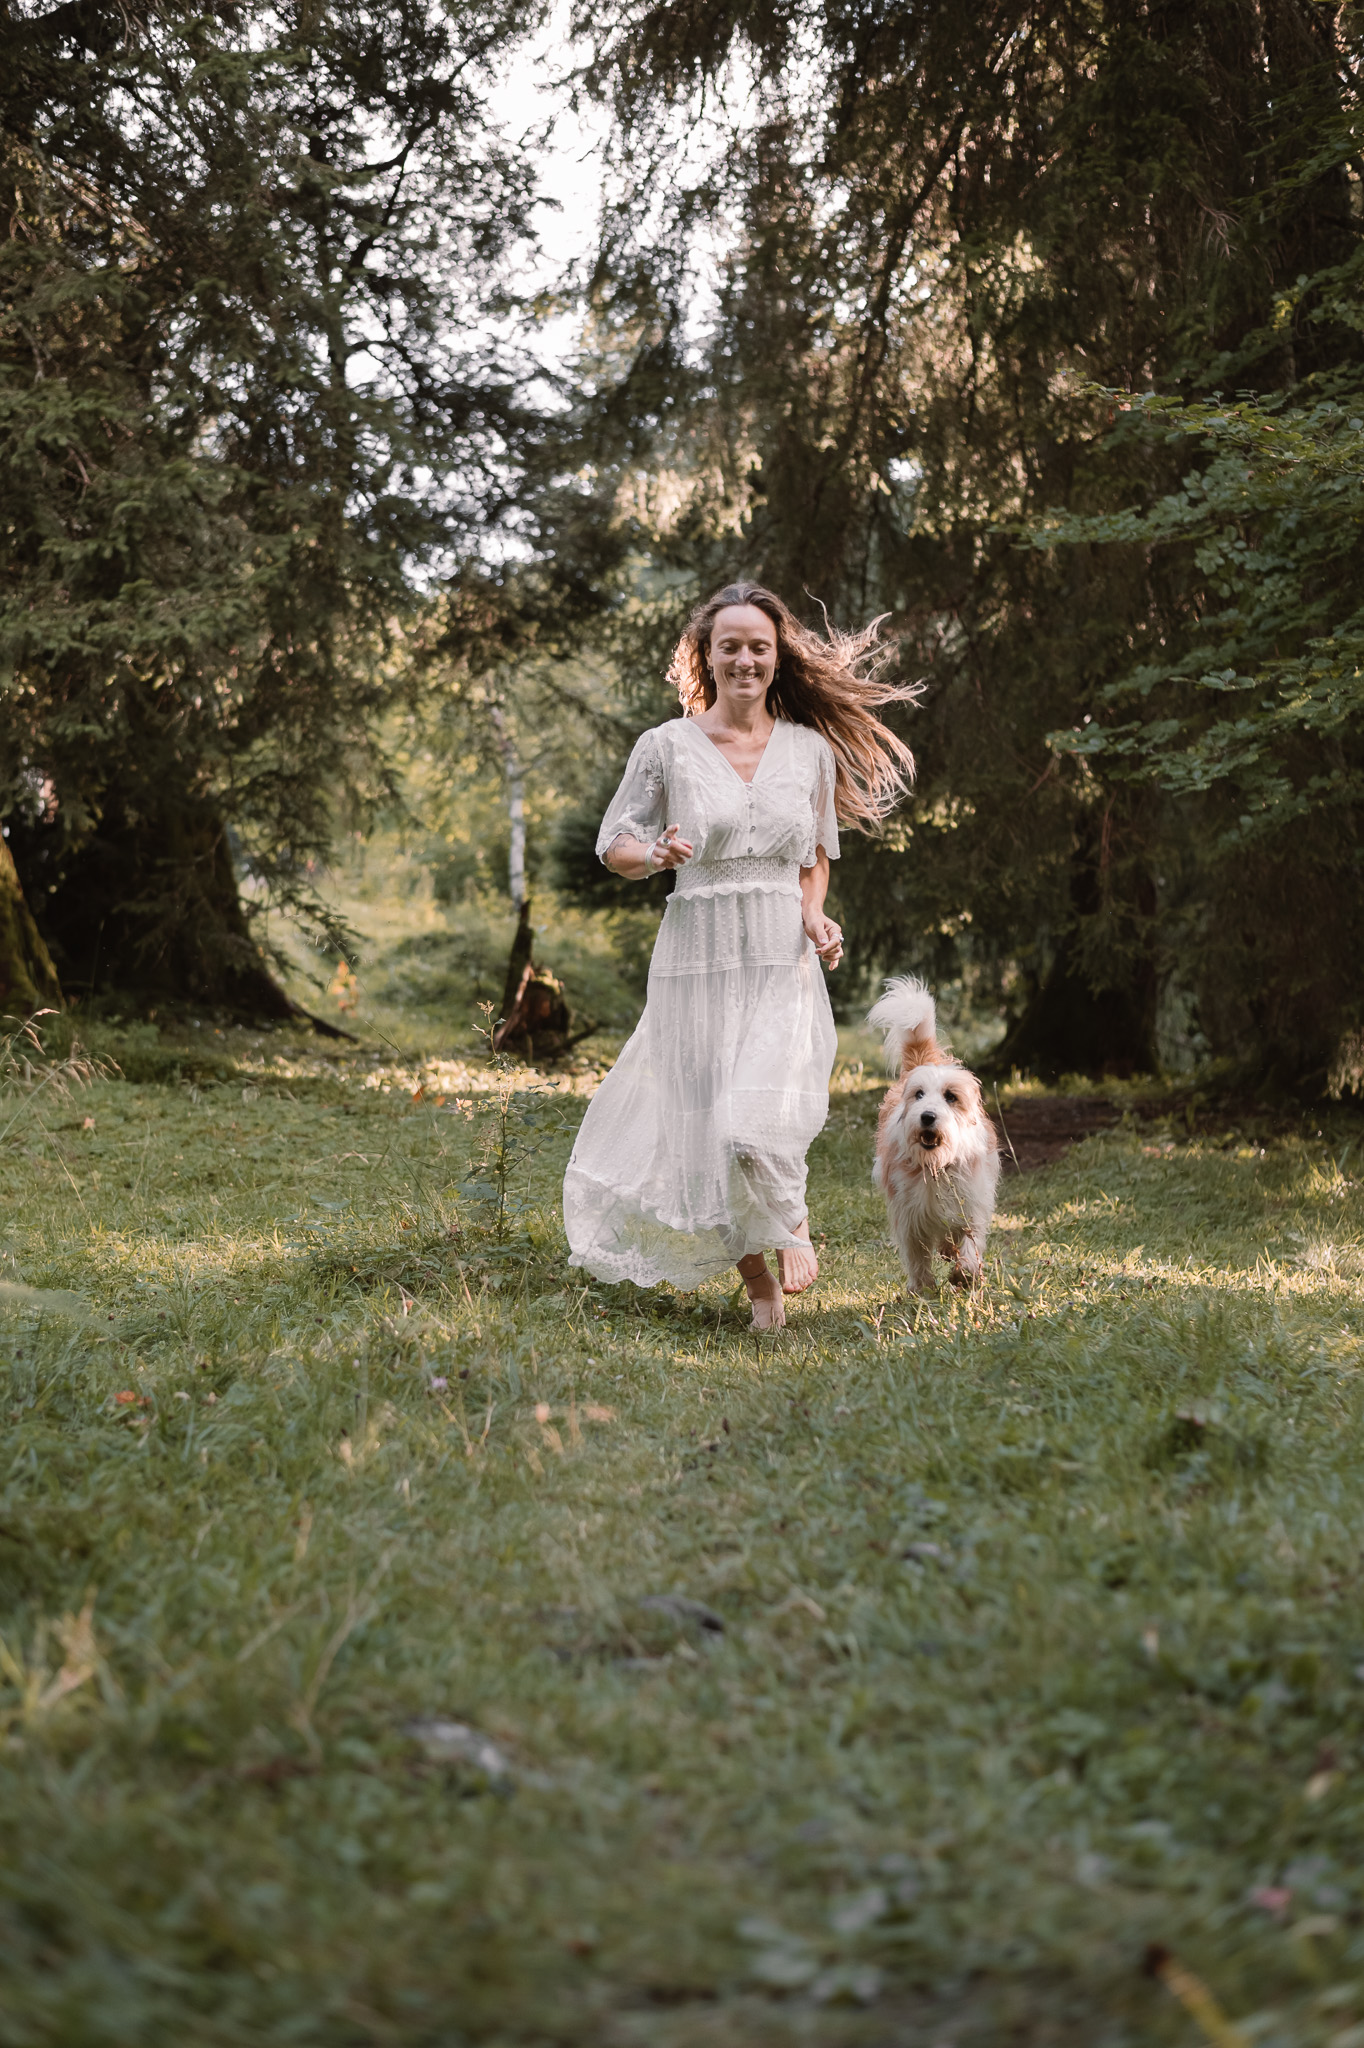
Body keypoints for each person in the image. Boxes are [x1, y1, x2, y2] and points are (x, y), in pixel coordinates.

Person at [562, 581, 916, 1328]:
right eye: (731, 646)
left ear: (777, 655)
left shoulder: (809, 751)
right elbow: (613, 845)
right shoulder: (666, 747)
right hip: (696, 953)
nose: (746, 660)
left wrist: (815, 916)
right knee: (708, 1128)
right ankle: (760, 1288)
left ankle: (791, 1215)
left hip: (777, 952)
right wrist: (656, 852)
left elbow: (816, 855)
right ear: (707, 656)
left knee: (760, 1118)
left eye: (759, 646)